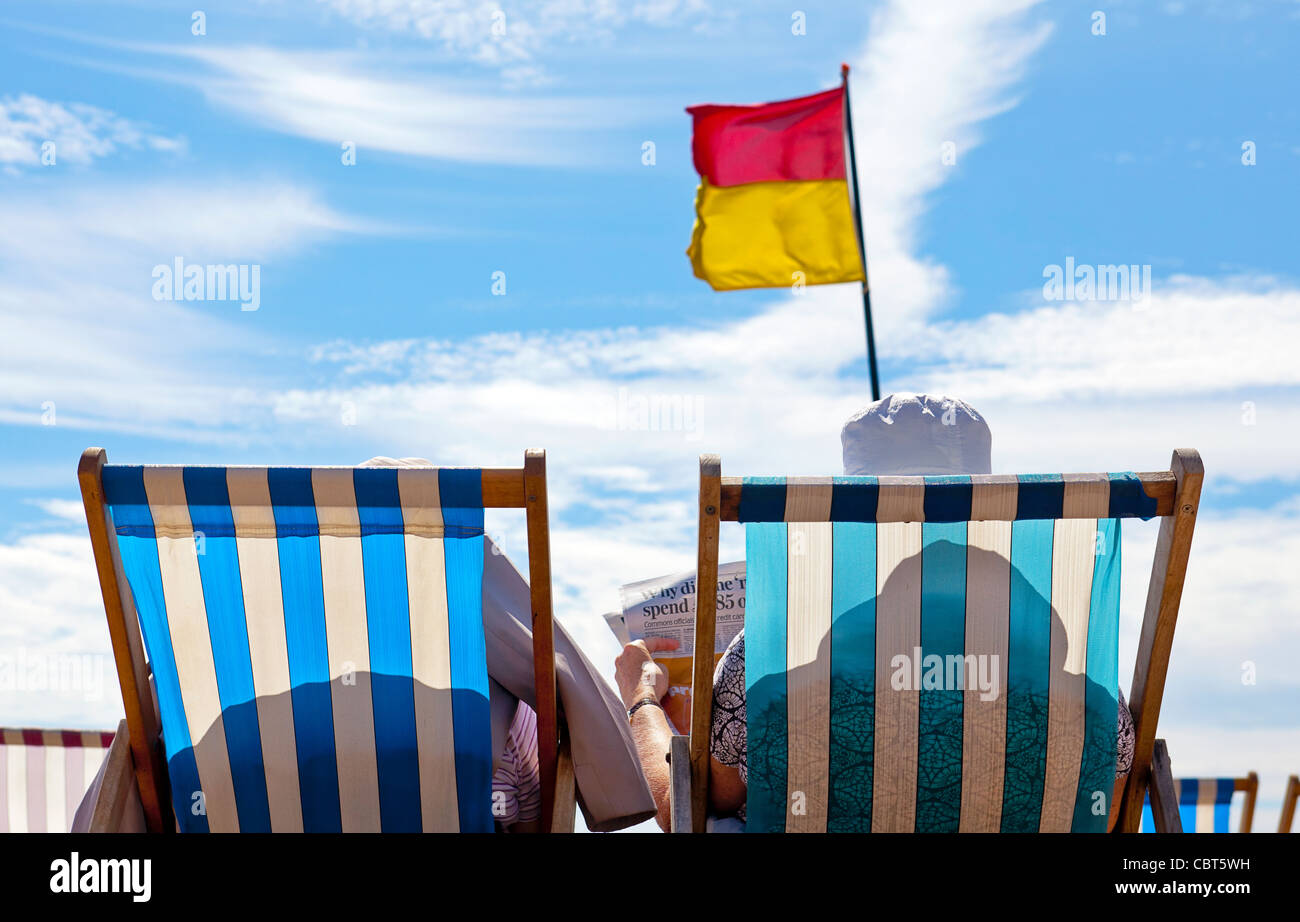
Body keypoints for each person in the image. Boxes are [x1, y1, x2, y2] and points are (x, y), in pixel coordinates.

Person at [615, 394, 1135, 832]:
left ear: (851, 512)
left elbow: (696, 803)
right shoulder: (1084, 690)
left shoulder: (770, 663)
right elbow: (1105, 813)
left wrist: (642, 699)